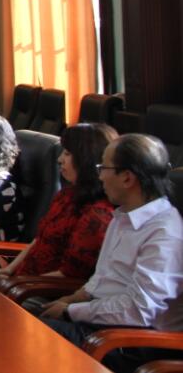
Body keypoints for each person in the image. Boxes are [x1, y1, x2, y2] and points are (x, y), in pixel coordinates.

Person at [38, 134, 182, 371]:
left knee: (24, 334)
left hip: (133, 340)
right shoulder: (123, 216)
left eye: (103, 168)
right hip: (104, 323)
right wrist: (70, 300)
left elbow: (139, 310)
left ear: (127, 178)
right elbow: (102, 279)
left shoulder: (165, 233)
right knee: (12, 318)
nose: (99, 176)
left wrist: (72, 311)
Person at [0, 123, 117, 284]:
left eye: (67, 154)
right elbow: (38, 241)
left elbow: (69, 275)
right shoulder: (67, 195)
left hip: (40, 290)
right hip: (21, 281)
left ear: (86, 160)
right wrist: (7, 271)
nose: (60, 160)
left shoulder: (97, 215)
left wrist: (12, 284)